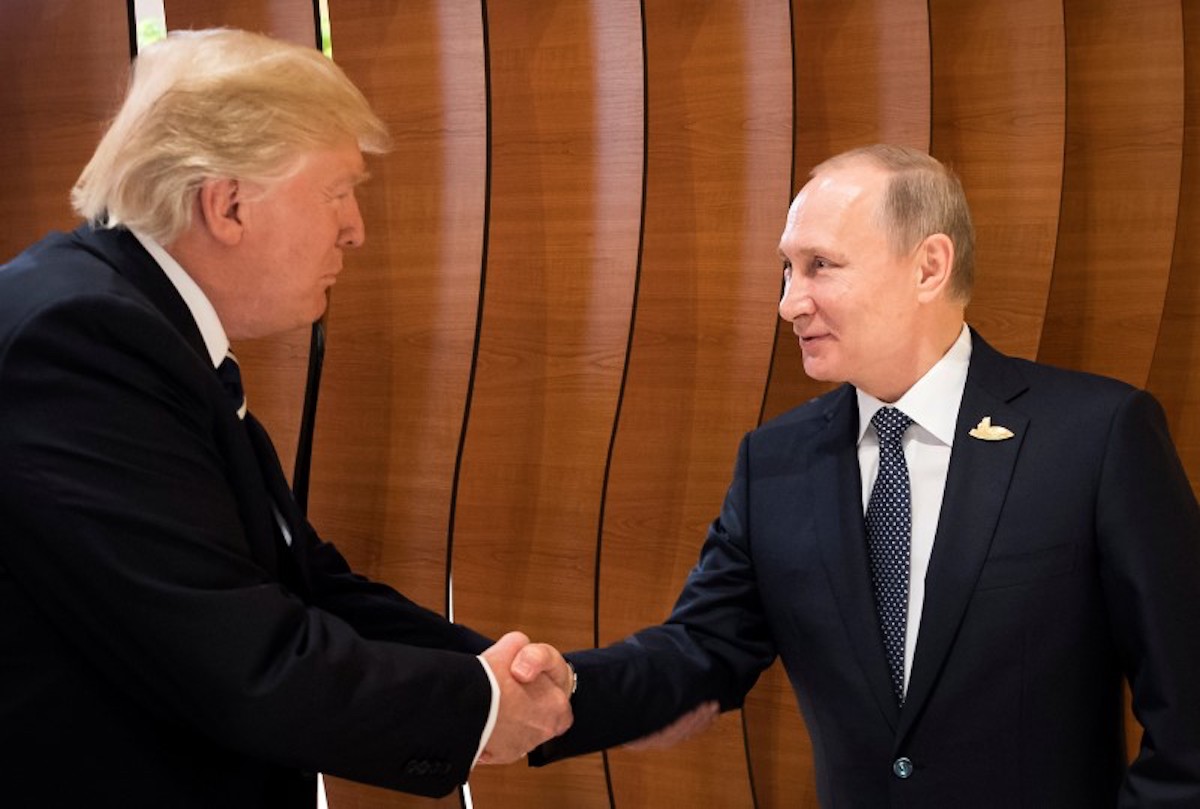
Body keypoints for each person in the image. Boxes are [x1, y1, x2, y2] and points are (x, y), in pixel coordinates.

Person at [526, 144, 1200, 807]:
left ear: (929, 267)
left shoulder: (1096, 436)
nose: (790, 303)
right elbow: (701, 651)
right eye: (787, 270)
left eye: (820, 266)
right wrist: (570, 690)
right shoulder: (775, 462)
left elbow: (1187, 710)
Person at [0, 28, 572, 807]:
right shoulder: (79, 340)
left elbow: (298, 579)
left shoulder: (125, 317)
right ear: (228, 203)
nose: (356, 229)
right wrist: (479, 707)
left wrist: (496, 672)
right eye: (338, 190)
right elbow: (231, 655)